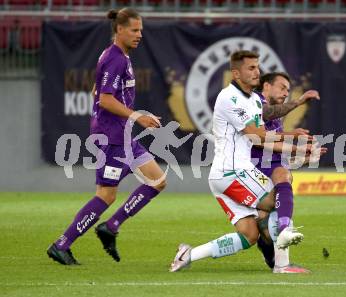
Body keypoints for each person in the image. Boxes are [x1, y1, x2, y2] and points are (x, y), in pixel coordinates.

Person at [170, 50, 316, 273]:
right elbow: (255, 135)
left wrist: (294, 143)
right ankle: (283, 262)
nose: (257, 71)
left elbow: (264, 129)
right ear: (236, 73)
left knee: (249, 235)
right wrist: (294, 142)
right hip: (233, 171)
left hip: (225, 175)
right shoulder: (229, 97)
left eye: (257, 67)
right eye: (251, 68)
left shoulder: (254, 102)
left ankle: (188, 255)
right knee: (277, 198)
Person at [47, 8, 166, 265]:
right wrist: (137, 117)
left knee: (157, 181)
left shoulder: (118, 56)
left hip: (122, 136)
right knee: (106, 195)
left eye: (141, 30)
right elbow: (105, 98)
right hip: (111, 138)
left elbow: (96, 91)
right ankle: (62, 244)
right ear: (119, 29)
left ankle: (111, 226)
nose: (139, 35)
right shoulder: (116, 59)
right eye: (134, 30)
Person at [251, 72, 321, 271]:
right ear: (266, 86)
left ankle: (277, 260)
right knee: (254, 230)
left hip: (267, 166)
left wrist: (303, 156)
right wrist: (299, 102)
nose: (285, 93)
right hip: (249, 168)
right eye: (282, 87)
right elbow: (264, 135)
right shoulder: (255, 102)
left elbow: (274, 148)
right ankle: (284, 232)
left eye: (288, 91)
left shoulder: (276, 116)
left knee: (262, 227)